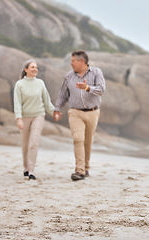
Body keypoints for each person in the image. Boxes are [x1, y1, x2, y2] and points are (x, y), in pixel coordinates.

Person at [53, 50, 105, 181]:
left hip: (92, 112)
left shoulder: (96, 73)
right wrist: (57, 109)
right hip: (75, 112)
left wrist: (87, 88)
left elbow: (101, 89)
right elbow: (62, 94)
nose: (71, 64)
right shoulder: (69, 76)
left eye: (73, 61)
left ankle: (86, 167)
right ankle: (79, 170)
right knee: (78, 139)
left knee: (87, 142)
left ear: (82, 61)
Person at [13, 59, 55, 180]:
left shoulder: (40, 83)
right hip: (24, 116)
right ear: (26, 70)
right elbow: (17, 103)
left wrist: (54, 112)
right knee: (25, 145)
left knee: (33, 143)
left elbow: (47, 101)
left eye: (36, 67)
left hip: (39, 115)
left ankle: (31, 170)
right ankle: (26, 168)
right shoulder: (19, 84)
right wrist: (19, 118)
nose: (35, 69)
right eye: (32, 67)